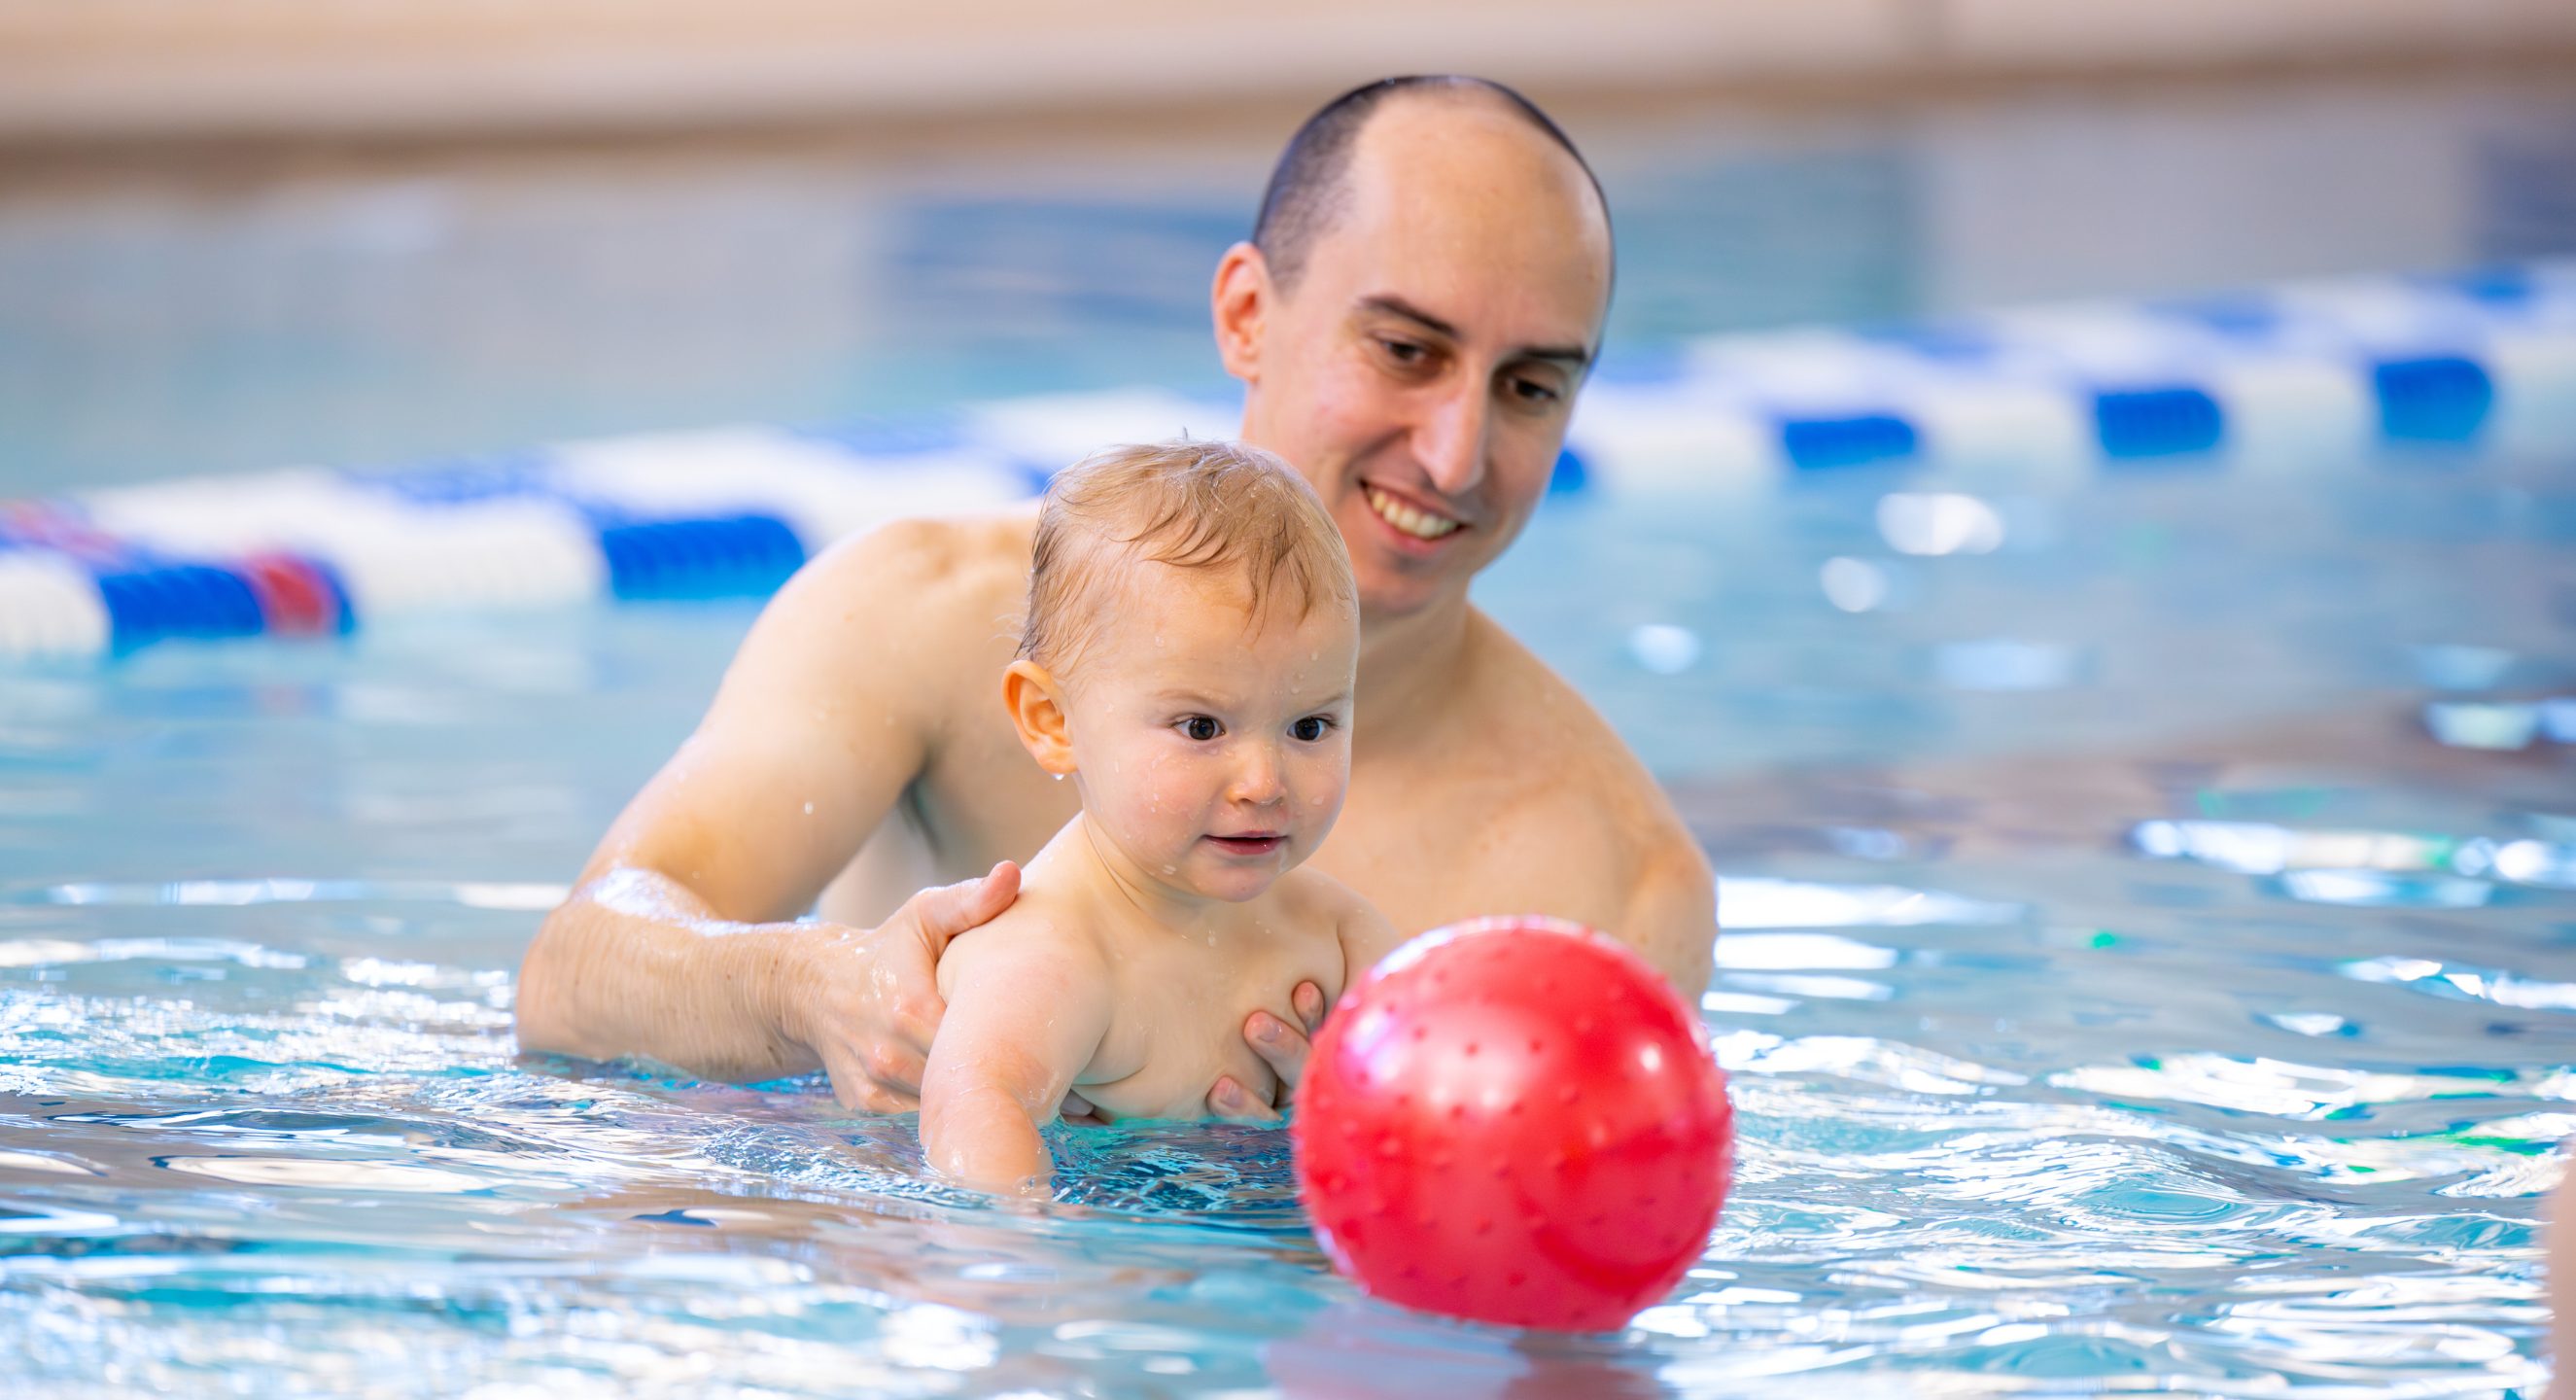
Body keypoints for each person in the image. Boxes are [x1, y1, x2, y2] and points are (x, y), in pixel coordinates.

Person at [515, 74, 1717, 1119]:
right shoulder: (926, 612)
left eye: (1529, 388)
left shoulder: (1608, 885)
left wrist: (1329, 1164)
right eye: (1405, 352)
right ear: (1247, 316)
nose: (1454, 456)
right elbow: (573, 974)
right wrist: (818, 991)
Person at [922, 439, 1399, 1192]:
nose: (1264, 782)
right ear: (1053, 720)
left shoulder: (1339, 940)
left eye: (1309, 727)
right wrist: (1030, 1238)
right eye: (1202, 728)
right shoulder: (1054, 955)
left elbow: (1431, 1100)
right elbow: (973, 1110)